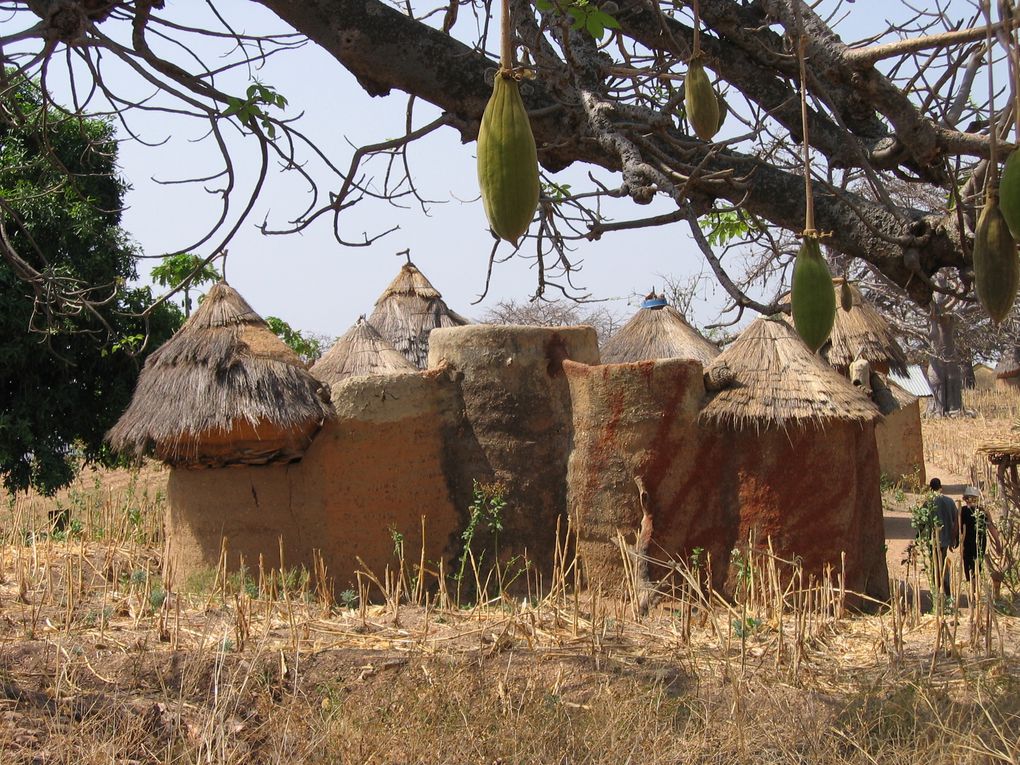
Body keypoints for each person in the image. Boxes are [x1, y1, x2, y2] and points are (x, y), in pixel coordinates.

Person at [928, 477, 959, 597]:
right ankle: (945, 590)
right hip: (945, 540)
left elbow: (923, 522)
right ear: (941, 487)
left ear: (930, 489)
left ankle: (938, 591)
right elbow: (956, 521)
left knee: (935, 564)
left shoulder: (929, 502)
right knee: (943, 562)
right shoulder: (950, 501)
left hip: (933, 541)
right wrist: (953, 538)